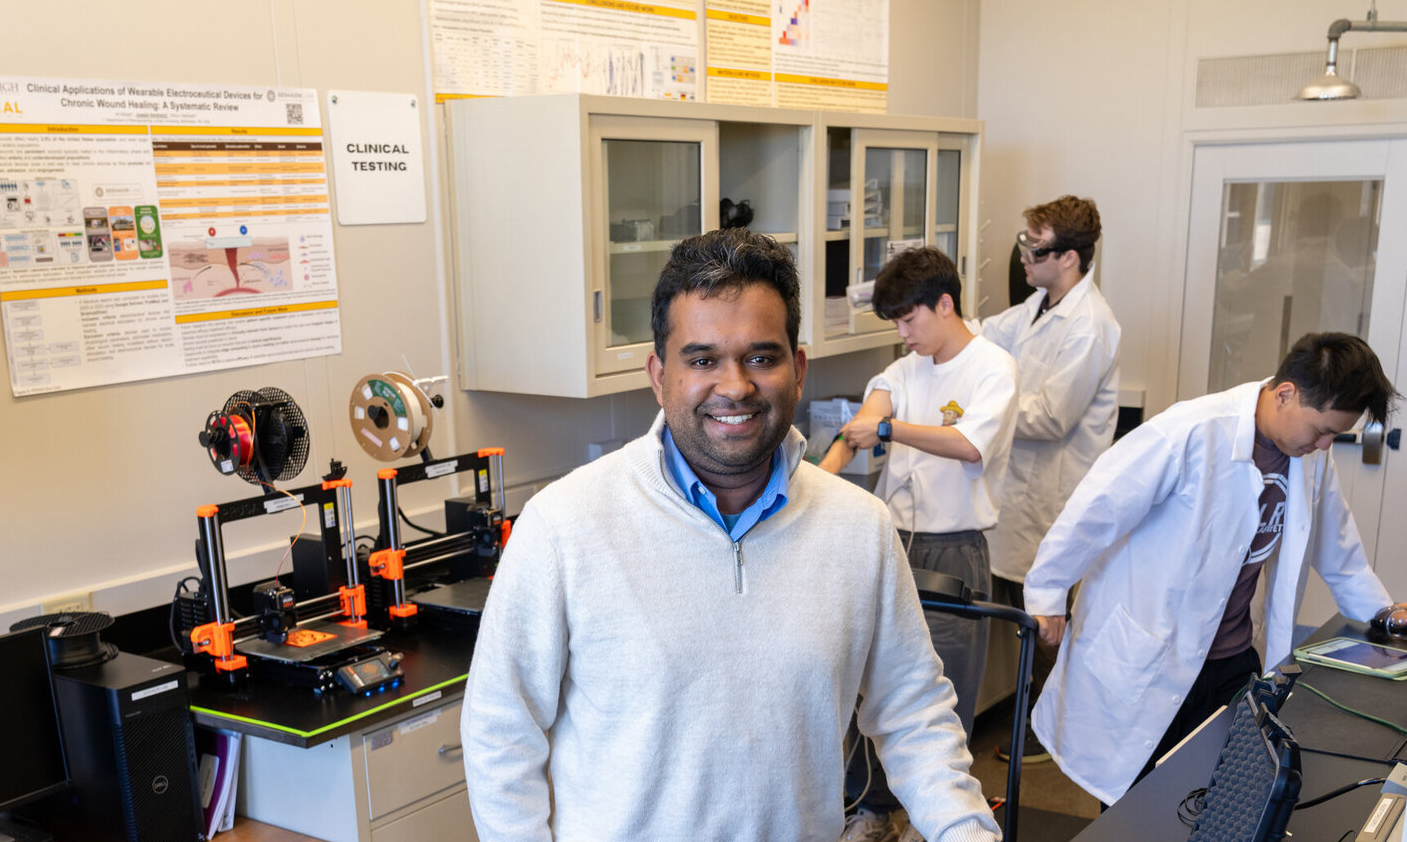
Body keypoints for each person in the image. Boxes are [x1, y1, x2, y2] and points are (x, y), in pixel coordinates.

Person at [462, 229, 1001, 842]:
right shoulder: (565, 524)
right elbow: (501, 731)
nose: (735, 385)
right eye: (702, 360)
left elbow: (913, 714)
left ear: (796, 369)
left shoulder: (859, 528)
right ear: (658, 374)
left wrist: (965, 831)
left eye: (761, 357)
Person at [1022, 332, 1407, 806]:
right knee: (1134, 812)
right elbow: (1093, 512)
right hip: (1153, 655)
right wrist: (1047, 592)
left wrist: (1381, 610)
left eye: (1334, 435)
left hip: (1233, 659)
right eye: (1320, 430)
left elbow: (1336, 544)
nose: (1324, 445)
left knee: (1220, 801)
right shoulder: (1189, 432)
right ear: (1285, 394)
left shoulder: (1309, 456)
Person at [821, 246, 1018, 841]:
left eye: (910, 320)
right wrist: (810, 486)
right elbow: (861, 426)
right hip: (892, 545)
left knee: (940, 695)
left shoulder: (992, 368)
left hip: (954, 549)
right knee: (873, 684)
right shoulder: (904, 371)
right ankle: (875, 810)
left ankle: (934, 820)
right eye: (896, 324)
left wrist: (886, 428)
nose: (903, 334)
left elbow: (969, 445)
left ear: (945, 303)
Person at [978, 196, 1122, 763]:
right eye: (1023, 244)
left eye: (1033, 250)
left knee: (1047, 617)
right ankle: (1030, 720)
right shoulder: (1038, 306)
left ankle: (1046, 734)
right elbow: (983, 336)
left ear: (1068, 257)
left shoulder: (1091, 325)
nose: (1023, 259)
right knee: (1026, 610)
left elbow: (1049, 416)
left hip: (1056, 494)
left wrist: (986, 408)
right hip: (1020, 490)